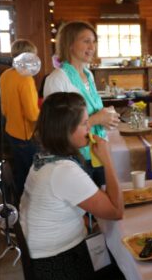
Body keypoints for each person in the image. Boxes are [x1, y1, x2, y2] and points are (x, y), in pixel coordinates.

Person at [19, 92, 123, 280]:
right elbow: (116, 211)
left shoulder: (44, 157)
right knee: (123, 260)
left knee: (111, 242)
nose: (89, 128)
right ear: (66, 130)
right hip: (58, 267)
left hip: (44, 261)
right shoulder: (63, 171)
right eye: (84, 123)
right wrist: (108, 160)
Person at [43, 21, 119, 185]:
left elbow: (89, 112)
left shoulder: (89, 75)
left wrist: (106, 118)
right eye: (86, 41)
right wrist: (97, 119)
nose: (92, 47)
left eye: (94, 41)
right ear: (69, 44)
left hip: (96, 153)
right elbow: (55, 131)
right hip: (74, 159)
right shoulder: (57, 79)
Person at [0, 39, 40, 197]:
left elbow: (4, 106)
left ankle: (18, 204)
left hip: (10, 128)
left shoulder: (5, 75)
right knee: (30, 174)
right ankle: (26, 206)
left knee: (20, 170)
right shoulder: (25, 78)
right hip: (25, 134)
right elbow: (31, 113)